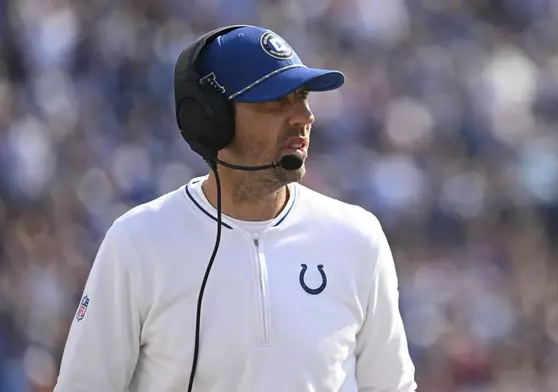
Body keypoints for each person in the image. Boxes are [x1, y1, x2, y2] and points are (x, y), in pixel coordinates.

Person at [53, 24, 417, 392]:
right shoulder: (138, 242)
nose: (304, 117)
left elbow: (392, 386)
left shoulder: (357, 237)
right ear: (212, 120)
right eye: (277, 101)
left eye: (303, 97)